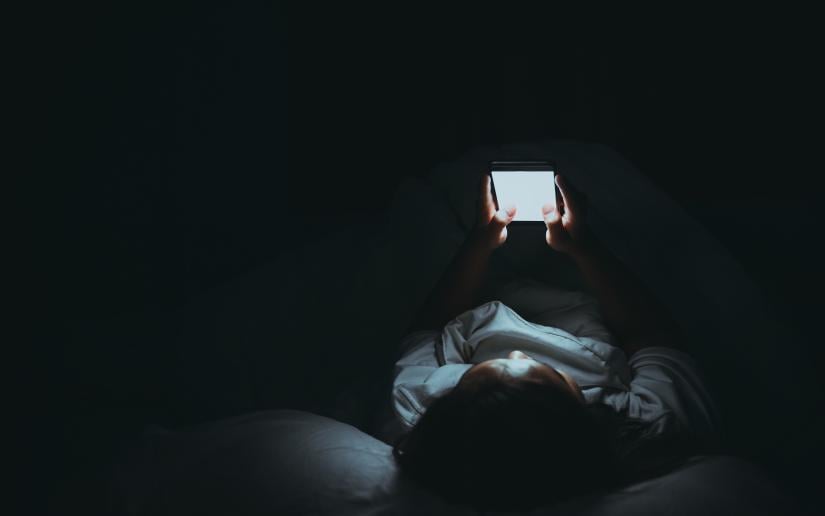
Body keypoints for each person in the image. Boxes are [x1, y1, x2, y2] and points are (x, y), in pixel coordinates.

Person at [389, 173, 720, 512]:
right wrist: (585, 247)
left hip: (475, 292)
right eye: (549, 373)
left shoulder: (422, 413)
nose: (518, 352)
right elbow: (650, 336)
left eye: (474, 375)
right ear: (583, 412)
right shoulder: (647, 425)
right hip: (595, 298)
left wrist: (478, 243)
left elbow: (427, 330)